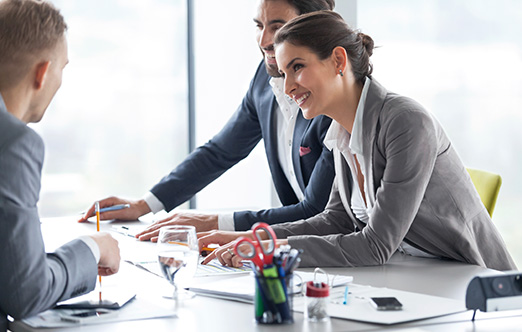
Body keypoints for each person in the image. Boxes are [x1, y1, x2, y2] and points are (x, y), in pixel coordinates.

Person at [199, 10, 517, 272]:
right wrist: (250, 236)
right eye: (284, 73)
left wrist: (271, 248)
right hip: (413, 277)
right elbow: (336, 219)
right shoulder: (342, 131)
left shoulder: (405, 121)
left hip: (475, 286)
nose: (288, 87)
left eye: (297, 68)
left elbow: (375, 245)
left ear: (338, 61)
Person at [79, 0, 336, 241]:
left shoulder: (332, 94)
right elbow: (220, 151)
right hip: (298, 250)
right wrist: (145, 205)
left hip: (345, 256)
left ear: (312, 25)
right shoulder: (265, 78)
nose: (264, 40)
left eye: (277, 27)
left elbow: (317, 211)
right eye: (259, 26)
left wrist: (214, 222)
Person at [0, 1, 121, 330]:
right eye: (62, 68)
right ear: (42, 73)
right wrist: (92, 249)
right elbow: (25, 291)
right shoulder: (12, 142)